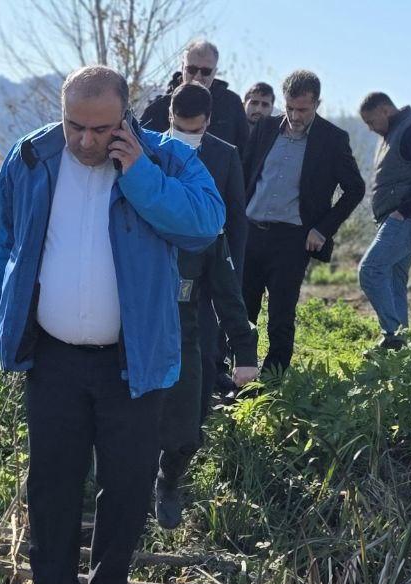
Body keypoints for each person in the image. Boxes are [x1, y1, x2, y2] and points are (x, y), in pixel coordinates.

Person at [0, 65, 225, 584]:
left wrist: (139, 175)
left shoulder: (163, 159)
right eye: (75, 126)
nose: (86, 141)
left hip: (132, 355)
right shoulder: (32, 158)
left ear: (125, 118)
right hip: (54, 353)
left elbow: (205, 225)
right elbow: (4, 237)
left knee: (129, 480)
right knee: (52, 477)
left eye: (100, 129)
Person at [240, 68, 365, 374]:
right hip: (251, 233)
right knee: (242, 311)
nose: (295, 116)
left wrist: (323, 229)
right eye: (290, 108)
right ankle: (241, 375)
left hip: (292, 240)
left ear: (317, 104)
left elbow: (355, 189)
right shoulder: (265, 128)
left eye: (303, 110)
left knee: (281, 315)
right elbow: (245, 174)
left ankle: (272, 381)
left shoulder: (332, 139)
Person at [156, 82, 249, 428]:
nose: (186, 137)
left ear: (208, 121)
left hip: (209, 270)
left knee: (206, 351)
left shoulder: (225, 155)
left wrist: (231, 277)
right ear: (170, 117)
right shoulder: (150, 151)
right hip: (161, 270)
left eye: (194, 131)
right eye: (180, 129)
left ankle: (193, 428)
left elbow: (236, 222)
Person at [155, 232, 258, 529]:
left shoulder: (205, 225)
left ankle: (167, 480)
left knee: (187, 430)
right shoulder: (130, 213)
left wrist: (244, 351)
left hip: (183, 339)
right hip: (130, 339)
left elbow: (227, 292)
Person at [356, 92, 411, 350]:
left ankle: (393, 335)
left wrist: (403, 211)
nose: (370, 128)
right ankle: (401, 346)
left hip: (407, 218)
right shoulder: (392, 134)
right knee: (393, 277)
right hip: (400, 218)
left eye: (371, 121)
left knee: (370, 270)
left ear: (384, 110)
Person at [140, 38, 251, 160]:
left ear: (214, 72)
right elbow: (141, 147)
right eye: (192, 69)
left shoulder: (231, 104)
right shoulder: (159, 107)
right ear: (183, 67)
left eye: (205, 71)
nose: (197, 76)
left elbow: (244, 153)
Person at [240, 81, 276, 156]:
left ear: (272, 108)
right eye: (254, 103)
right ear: (244, 105)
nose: (258, 110)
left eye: (265, 105)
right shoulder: (230, 131)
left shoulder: (275, 139)